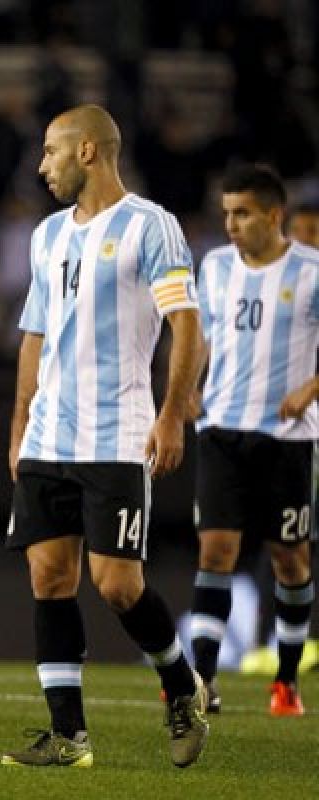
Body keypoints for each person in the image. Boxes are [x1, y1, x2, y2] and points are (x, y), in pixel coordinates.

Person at [3, 104, 209, 768]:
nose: (41, 166)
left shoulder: (151, 226)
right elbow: (34, 335)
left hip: (117, 433)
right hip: (47, 438)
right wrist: (18, 424)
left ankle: (181, 685)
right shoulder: (46, 236)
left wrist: (172, 414)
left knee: (118, 584)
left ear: (86, 152)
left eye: (49, 152)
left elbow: (186, 327)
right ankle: (69, 734)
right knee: (49, 576)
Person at [188, 164, 317, 717]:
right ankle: (204, 682)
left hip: (286, 440)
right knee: (215, 551)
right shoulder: (215, 267)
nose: (231, 224)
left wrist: (311, 387)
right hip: (221, 431)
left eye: (241, 213)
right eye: (226, 214)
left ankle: (286, 681)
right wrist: (187, 389)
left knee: (289, 559)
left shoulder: (311, 270)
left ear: (272, 214)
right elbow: (204, 338)